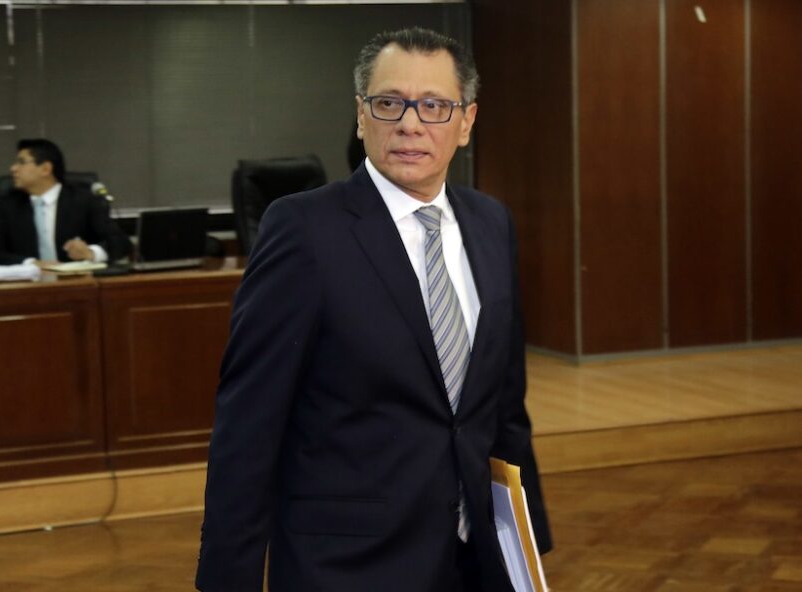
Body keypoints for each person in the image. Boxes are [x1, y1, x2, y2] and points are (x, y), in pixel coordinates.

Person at [196, 27, 551, 592]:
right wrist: (227, 579)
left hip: (472, 555)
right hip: (349, 563)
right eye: (389, 103)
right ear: (362, 116)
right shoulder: (304, 230)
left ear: (466, 122)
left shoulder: (490, 223)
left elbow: (504, 404)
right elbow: (249, 422)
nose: (410, 123)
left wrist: (525, 543)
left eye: (434, 105)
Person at [0, 138, 130, 266]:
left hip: (77, 283)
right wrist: (32, 263)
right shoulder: (9, 204)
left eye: (21, 162)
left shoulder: (83, 200)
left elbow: (121, 243)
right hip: (29, 285)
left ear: (45, 169)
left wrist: (90, 252)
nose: (13, 168)